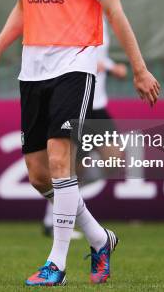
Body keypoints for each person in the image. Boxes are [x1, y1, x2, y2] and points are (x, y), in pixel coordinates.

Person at [0, 0, 160, 286]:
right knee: (40, 176)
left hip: (76, 67)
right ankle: (100, 238)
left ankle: (56, 262)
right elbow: (23, 9)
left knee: (62, 160)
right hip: (32, 71)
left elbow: (115, 13)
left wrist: (139, 68)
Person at [42, 19, 128, 238]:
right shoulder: (74, 14)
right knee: (70, 169)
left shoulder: (104, 16)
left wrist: (111, 66)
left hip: (98, 105)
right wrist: (108, 66)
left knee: (115, 159)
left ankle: (70, 205)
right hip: (78, 103)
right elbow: (74, 52)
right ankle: (53, 220)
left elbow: (98, 54)